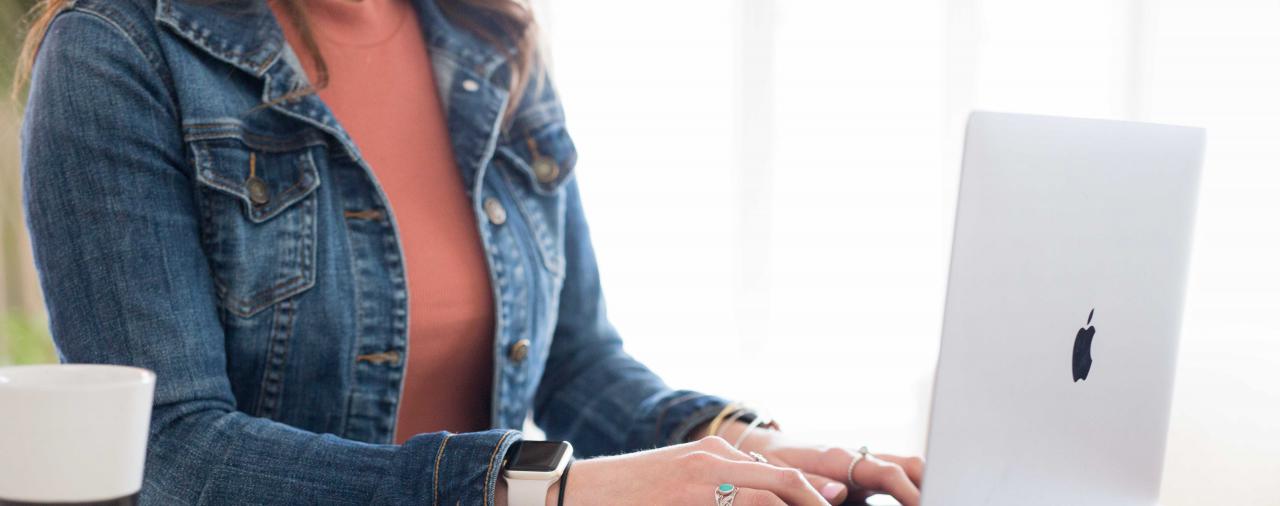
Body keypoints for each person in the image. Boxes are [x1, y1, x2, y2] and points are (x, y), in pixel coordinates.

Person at [16, 0, 925, 504]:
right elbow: (169, 452)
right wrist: (542, 493)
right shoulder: (116, 50)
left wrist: (740, 447)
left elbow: (576, 359)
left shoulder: (491, 34)